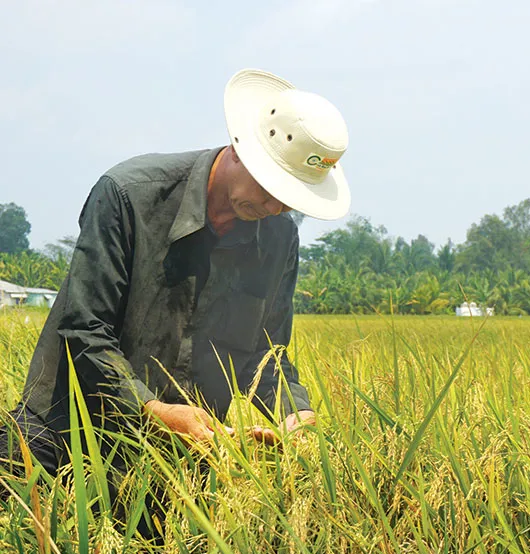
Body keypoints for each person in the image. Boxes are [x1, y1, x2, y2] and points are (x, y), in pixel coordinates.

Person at [3, 68, 350, 484]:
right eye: (271, 188)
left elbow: (264, 352)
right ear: (240, 151)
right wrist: (155, 410)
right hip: (65, 432)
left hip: (180, 457)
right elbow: (84, 329)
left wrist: (295, 413)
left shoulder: (278, 239)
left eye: (290, 201)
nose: (275, 208)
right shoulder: (128, 195)